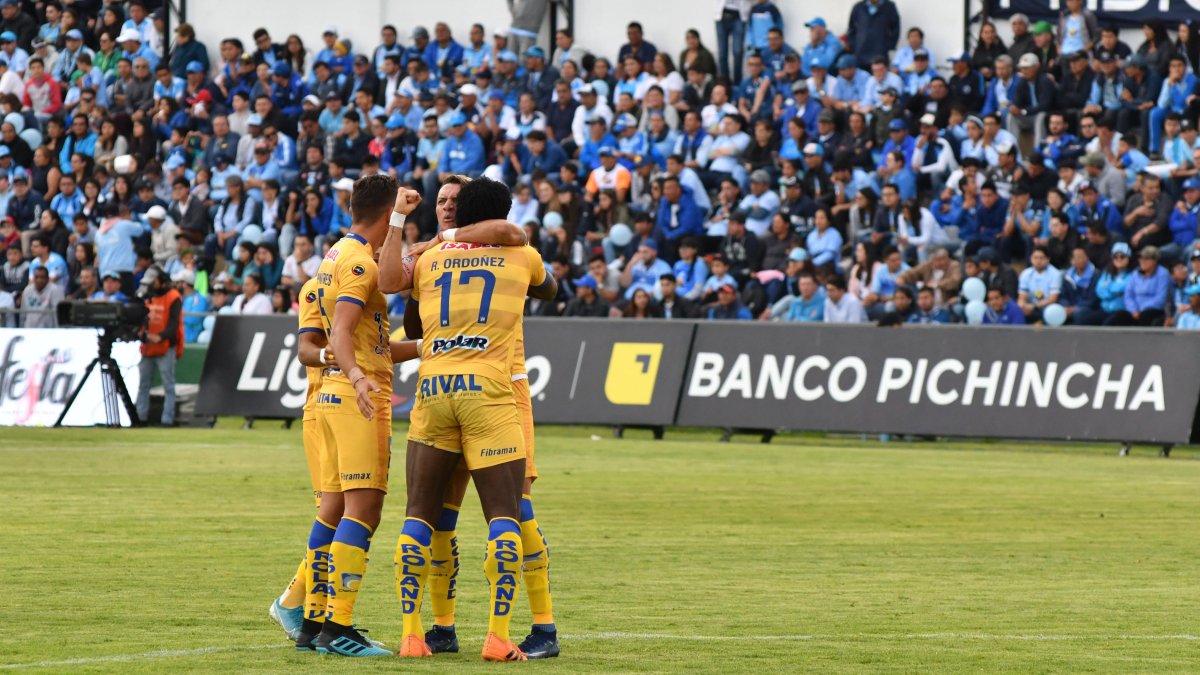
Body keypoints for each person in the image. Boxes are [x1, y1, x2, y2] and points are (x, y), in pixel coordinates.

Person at [401, 177, 557, 661]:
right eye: (441, 202)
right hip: (484, 390)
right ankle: (444, 627)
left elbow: (511, 235)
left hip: (496, 389)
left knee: (517, 510)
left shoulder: (443, 254)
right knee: (447, 518)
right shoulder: (493, 256)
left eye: (455, 201)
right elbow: (549, 285)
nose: (447, 207)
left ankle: (544, 626)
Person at [135, 265, 182, 426]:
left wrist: (160, 336)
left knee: (168, 385)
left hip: (165, 346)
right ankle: (140, 418)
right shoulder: (145, 295)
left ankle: (167, 420)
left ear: (161, 280)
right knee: (143, 385)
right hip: (148, 346)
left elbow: (174, 324)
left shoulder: (173, 296)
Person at [1017, 245, 1062, 322]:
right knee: (1017, 311)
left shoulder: (1055, 274)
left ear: (1048, 259)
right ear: (1031, 258)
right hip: (1029, 307)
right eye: (1035, 258)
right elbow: (1022, 297)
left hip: (1047, 307)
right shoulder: (1026, 273)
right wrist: (1022, 306)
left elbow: (1053, 299)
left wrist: (1034, 307)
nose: (1038, 261)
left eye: (1041, 258)